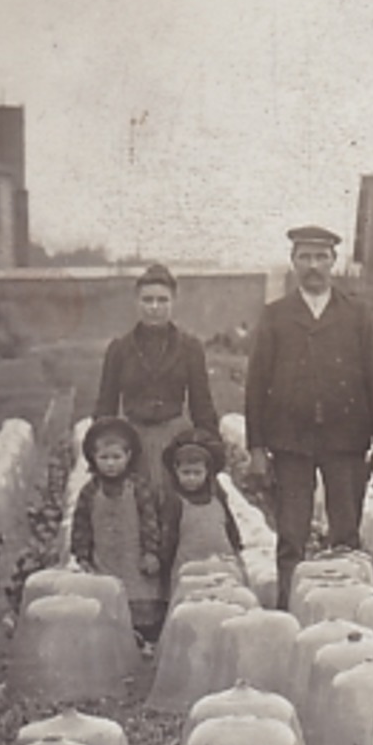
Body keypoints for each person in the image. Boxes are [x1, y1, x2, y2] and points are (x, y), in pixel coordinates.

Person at [244, 225, 373, 609]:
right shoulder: (276, 315)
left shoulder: (356, 314)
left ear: (334, 262)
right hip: (290, 441)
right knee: (291, 533)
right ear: (293, 262)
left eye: (321, 257)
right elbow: (257, 383)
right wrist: (257, 448)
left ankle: (345, 607)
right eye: (305, 257)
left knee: (345, 531)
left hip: (346, 439)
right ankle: (291, 608)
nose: (313, 266)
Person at [94, 263, 220, 519]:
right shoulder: (119, 349)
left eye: (162, 300)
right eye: (147, 300)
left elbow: (201, 404)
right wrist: (101, 453)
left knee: (180, 509)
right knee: (135, 511)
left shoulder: (190, 347)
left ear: (173, 302)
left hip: (174, 437)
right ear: (136, 302)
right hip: (134, 439)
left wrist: (211, 451)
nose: (154, 307)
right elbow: (105, 407)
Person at [69, 417, 164, 640]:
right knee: (106, 599)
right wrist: (81, 555)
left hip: (135, 559)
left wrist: (151, 552)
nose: (110, 464)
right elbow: (81, 524)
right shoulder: (90, 491)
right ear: (93, 457)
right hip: (104, 557)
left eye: (116, 457)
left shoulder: (138, 487)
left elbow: (150, 520)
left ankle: (145, 638)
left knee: (139, 600)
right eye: (104, 458)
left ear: (128, 457)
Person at [158, 427, 246, 582]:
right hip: (186, 566)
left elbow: (229, 525)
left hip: (221, 560)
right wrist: (165, 562)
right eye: (186, 473)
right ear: (176, 471)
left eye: (197, 473)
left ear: (207, 472)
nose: (191, 478)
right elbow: (168, 536)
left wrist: (236, 546)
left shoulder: (217, 498)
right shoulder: (176, 502)